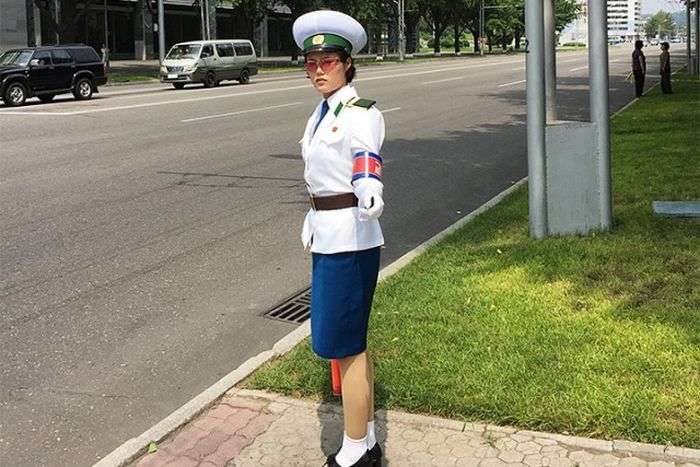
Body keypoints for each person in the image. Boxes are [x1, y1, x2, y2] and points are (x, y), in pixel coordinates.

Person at [292, 10, 385, 467]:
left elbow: (366, 156)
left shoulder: (359, 111)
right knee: (350, 343)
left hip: (350, 237)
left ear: (347, 63)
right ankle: (365, 440)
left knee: (344, 345)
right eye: (310, 63)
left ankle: (353, 450)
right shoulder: (321, 113)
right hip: (329, 233)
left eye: (327, 61)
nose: (318, 71)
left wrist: (370, 189)